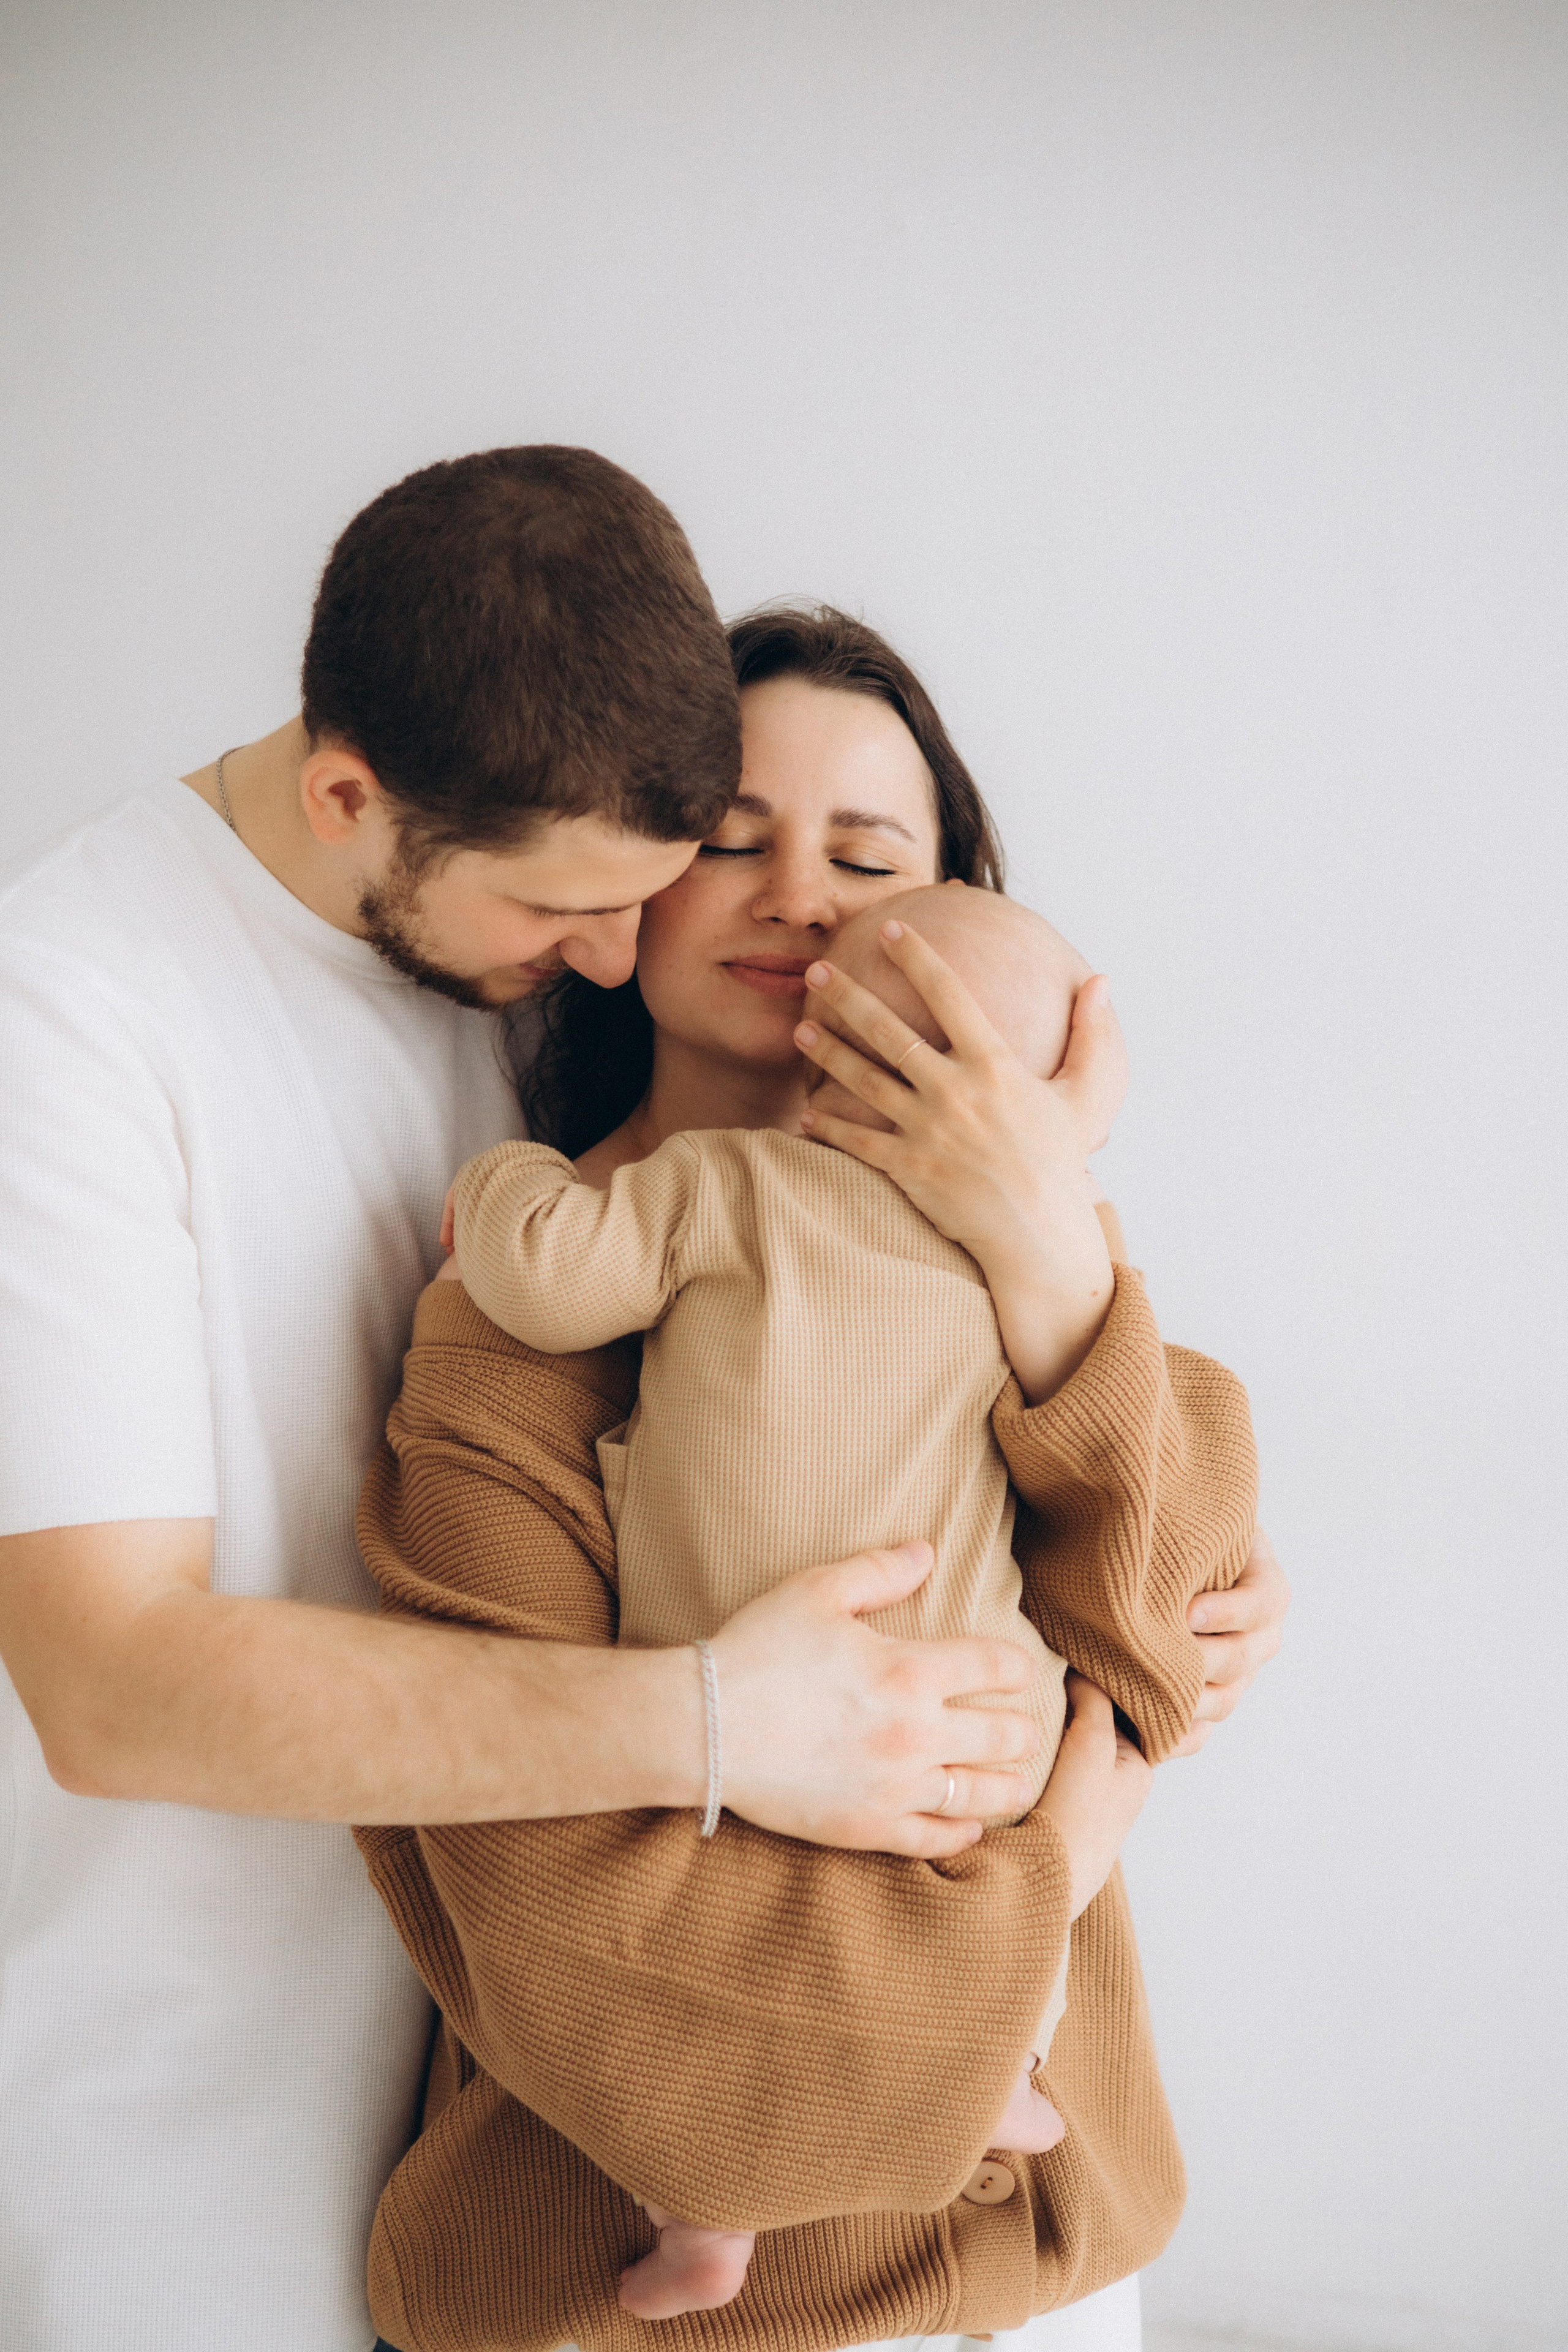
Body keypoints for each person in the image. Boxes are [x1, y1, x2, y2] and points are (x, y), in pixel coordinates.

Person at [0, 457, 1090, 2352]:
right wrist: (726, 1720)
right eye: (578, 910)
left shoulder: (500, 938)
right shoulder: (66, 1023)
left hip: (525, 2094)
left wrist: (1075, 1315)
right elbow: (106, 1685)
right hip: (198, 2110)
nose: (604, 957)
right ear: (351, 797)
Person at [350, 607, 1281, 2352]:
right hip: (620, 2302)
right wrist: (1055, 1869)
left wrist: (1045, 1248)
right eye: (731, 840)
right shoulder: (519, 1310)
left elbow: (1173, 1639)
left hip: (1043, 2274)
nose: (807, 900)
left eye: (872, 860)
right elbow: (568, 1933)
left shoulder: (1052, 1285)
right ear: (623, 893)